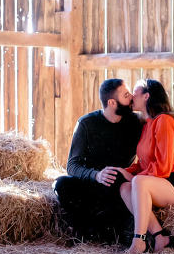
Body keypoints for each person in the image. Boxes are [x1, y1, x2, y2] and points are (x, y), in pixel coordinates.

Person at [53, 78, 143, 244]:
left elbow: (164, 142)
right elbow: (72, 165)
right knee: (60, 184)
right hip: (91, 184)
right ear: (112, 102)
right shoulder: (86, 123)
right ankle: (88, 231)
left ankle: (108, 231)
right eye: (126, 94)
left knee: (124, 184)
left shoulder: (137, 122)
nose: (131, 97)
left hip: (119, 185)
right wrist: (96, 175)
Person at [116, 79, 174, 254]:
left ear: (147, 96)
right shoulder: (147, 124)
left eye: (135, 93)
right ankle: (160, 237)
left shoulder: (164, 121)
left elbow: (163, 167)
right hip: (163, 181)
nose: (132, 97)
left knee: (138, 182)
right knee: (125, 188)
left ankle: (138, 240)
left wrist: (136, 177)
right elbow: (145, 163)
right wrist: (126, 172)